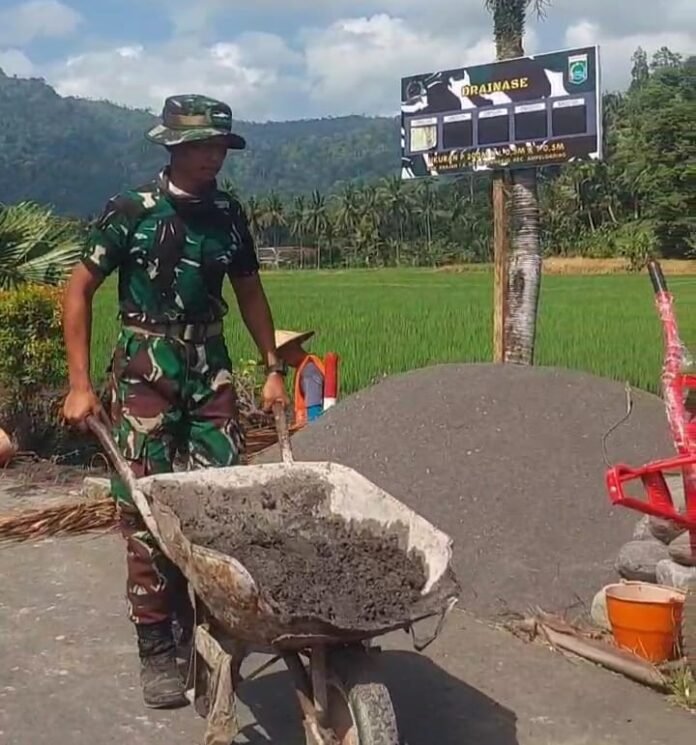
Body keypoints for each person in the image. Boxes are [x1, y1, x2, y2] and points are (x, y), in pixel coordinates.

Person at [61, 94, 289, 710]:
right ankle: (157, 644)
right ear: (173, 147)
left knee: (221, 501)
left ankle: (206, 631)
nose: (212, 156)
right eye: (201, 146)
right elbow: (78, 290)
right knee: (145, 506)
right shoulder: (131, 210)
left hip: (210, 366)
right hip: (145, 366)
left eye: (219, 146)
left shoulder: (227, 213)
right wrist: (80, 384)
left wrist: (272, 368)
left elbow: (250, 290)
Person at [275, 329, 325, 425]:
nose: (282, 360)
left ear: (289, 349)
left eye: (280, 355)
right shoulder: (305, 368)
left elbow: (314, 412)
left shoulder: (309, 371)